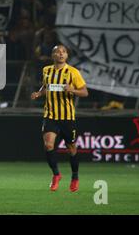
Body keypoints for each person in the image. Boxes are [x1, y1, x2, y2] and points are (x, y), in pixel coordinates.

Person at [31, 44, 88, 192]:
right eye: (58, 52)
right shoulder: (47, 70)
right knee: (48, 145)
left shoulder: (73, 72)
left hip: (67, 117)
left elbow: (85, 92)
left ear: (67, 56)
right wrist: (39, 93)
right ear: (53, 56)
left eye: (64, 52)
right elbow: (46, 87)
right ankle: (56, 174)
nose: (61, 54)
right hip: (50, 115)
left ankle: (75, 177)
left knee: (71, 148)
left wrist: (72, 90)